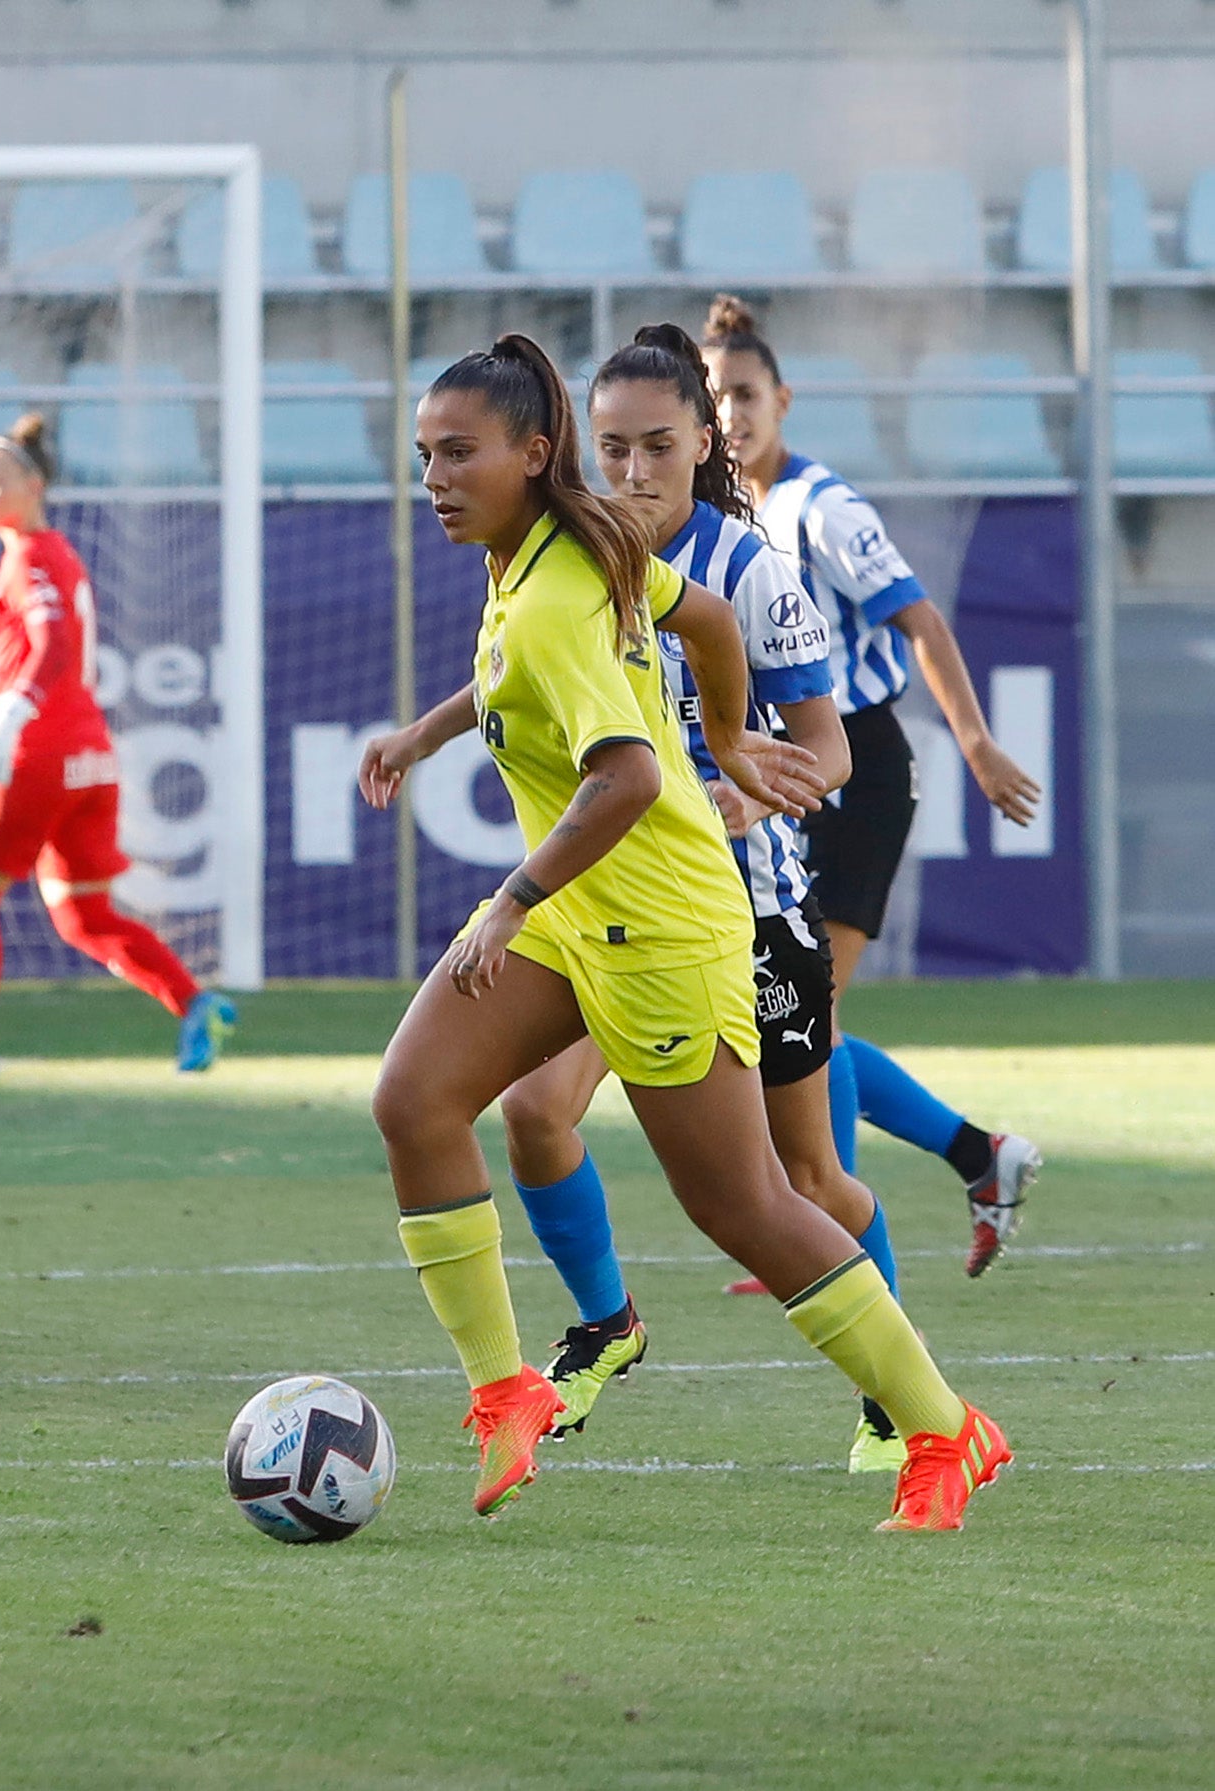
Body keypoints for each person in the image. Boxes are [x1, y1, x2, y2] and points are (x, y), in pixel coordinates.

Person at [358, 331, 1010, 1531]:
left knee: (752, 1204)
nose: (436, 479)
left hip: (658, 923)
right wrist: (711, 718)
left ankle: (942, 1427)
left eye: (458, 456)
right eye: (424, 456)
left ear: (527, 455)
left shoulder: (560, 591)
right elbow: (699, 621)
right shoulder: (567, 545)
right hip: (586, 912)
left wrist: (513, 900)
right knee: (416, 1101)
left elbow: (628, 783)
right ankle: (507, 1388)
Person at [497, 323, 907, 1472]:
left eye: (657, 450)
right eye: (612, 449)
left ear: (701, 446)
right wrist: (425, 736)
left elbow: (829, 753)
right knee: (533, 1112)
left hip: (750, 916)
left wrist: (742, 799)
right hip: (609, 907)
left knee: (804, 1181)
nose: (631, 474)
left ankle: (893, 1389)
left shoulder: (754, 571)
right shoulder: (573, 556)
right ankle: (605, 1326)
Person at [702, 295, 1043, 1278]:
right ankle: (974, 1157)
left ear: (784, 399)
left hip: (853, 767)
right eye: (717, 396)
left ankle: (820, 1212)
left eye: (748, 394)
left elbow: (920, 622)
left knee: (810, 1014)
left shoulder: (822, 508)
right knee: (803, 1015)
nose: (733, 414)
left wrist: (974, 742)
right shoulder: (734, 513)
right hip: (789, 766)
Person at [0, 413, 235, 1078]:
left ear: (32, 486)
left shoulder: (30, 557)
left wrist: (3, 721)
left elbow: (54, 651)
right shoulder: (46, 556)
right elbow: (20, 669)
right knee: (83, 914)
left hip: (36, 758)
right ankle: (196, 1003)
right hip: (88, 758)